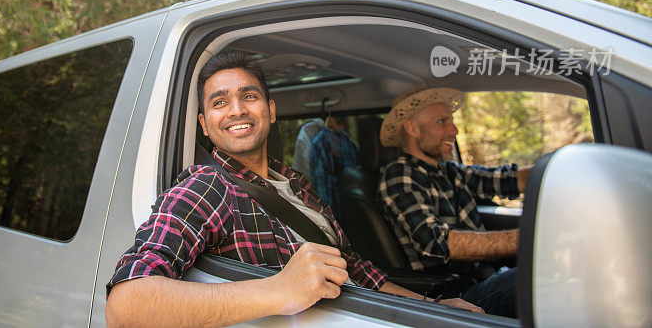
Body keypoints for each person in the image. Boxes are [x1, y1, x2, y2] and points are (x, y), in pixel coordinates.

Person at [106, 52, 481, 327]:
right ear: (205, 125)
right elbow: (125, 306)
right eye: (220, 102)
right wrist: (279, 290)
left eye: (248, 96)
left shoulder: (299, 185)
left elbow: (359, 272)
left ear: (270, 111)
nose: (236, 109)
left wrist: (435, 308)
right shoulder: (207, 187)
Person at [377, 85, 533, 318]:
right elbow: (437, 244)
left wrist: (557, 166)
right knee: (540, 276)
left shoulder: (449, 170)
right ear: (412, 128)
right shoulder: (400, 175)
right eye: (442, 122)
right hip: (456, 297)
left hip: (484, 276)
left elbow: (508, 180)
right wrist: (529, 239)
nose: (455, 130)